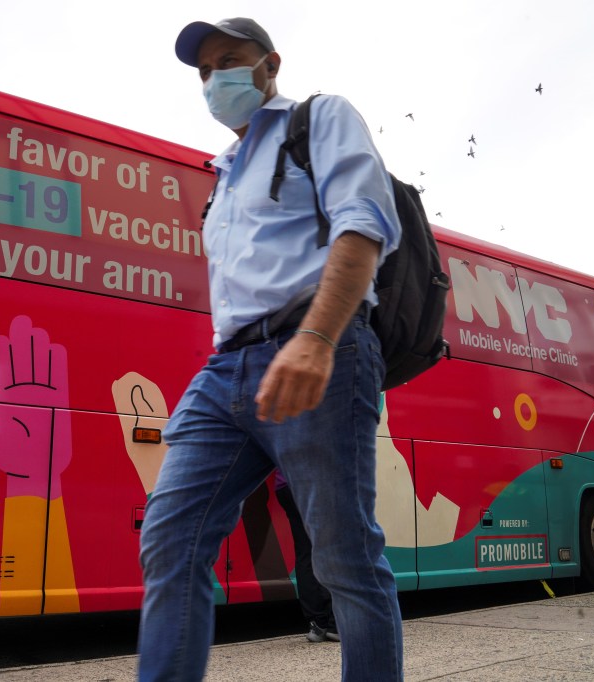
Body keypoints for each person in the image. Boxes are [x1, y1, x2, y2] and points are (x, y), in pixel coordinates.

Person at [136, 17, 404, 682]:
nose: (215, 79)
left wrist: (316, 336)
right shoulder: (224, 173)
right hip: (226, 369)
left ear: (270, 63)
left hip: (321, 348)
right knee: (171, 536)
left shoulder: (319, 121)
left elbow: (363, 223)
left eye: (229, 60)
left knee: (342, 556)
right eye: (204, 71)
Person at [273, 469, 338, 643]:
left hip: (284, 486)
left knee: (305, 554)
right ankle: (335, 624)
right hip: (311, 482)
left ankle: (317, 624)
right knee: (329, 550)